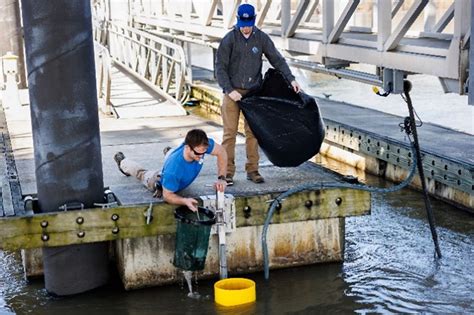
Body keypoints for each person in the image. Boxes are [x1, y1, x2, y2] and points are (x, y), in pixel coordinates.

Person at [215, 3, 301, 186]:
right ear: (238, 21)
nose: (246, 27)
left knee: (252, 133)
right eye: (243, 23)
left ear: (253, 21)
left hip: (253, 94)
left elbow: (277, 59)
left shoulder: (261, 38)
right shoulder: (229, 39)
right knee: (229, 134)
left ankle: (252, 170)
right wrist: (230, 91)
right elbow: (220, 68)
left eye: (249, 23)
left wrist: (291, 79)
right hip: (232, 93)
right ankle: (227, 173)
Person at [114, 129, 227, 212]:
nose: (201, 155)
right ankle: (123, 162)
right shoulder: (173, 169)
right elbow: (167, 196)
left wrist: (221, 178)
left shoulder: (201, 145)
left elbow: (221, 152)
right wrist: (184, 201)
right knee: (142, 174)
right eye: (198, 153)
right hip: (158, 179)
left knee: (172, 155)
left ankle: (169, 152)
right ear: (188, 147)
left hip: (176, 162)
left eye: (204, 152)